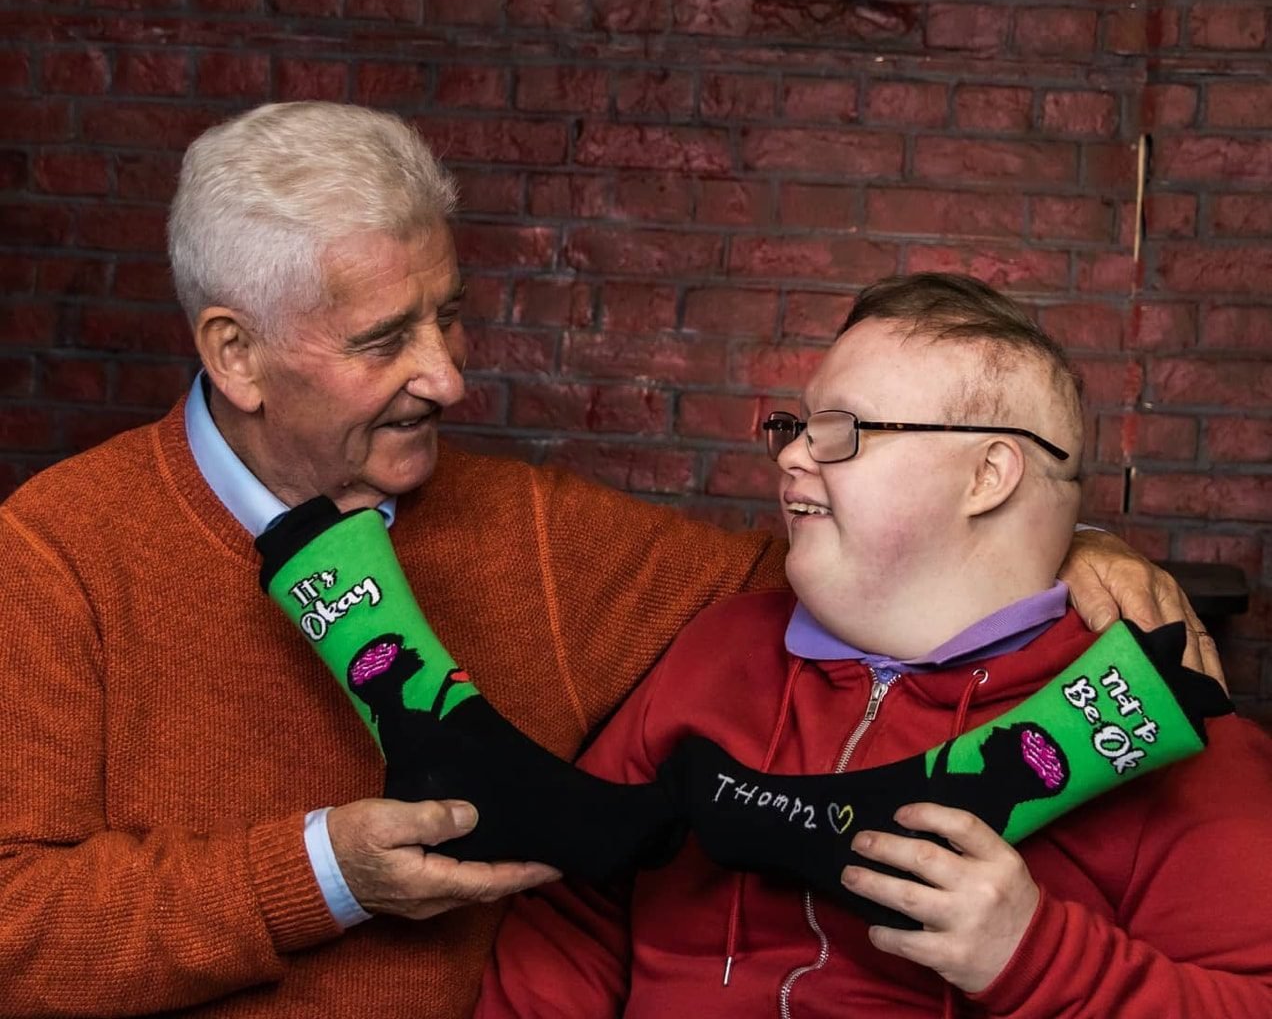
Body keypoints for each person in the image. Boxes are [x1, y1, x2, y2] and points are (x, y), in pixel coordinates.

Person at [0, 103, 1218, 1019]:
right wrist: (325, 873)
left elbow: (836, 568)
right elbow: (13, 926)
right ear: (236, 353)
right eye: (387, 341)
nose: (451, 377)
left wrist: (1059, 531)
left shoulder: (530, 526)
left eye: (452, 313)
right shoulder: (52, 556)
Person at [477, 274, 1272, 1018]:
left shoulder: (1157, 727)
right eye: (796, 428)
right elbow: (572, 904)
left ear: (988, 476)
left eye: (841, 432)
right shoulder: (718, 648)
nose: (791, 454)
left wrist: (1034, 957)